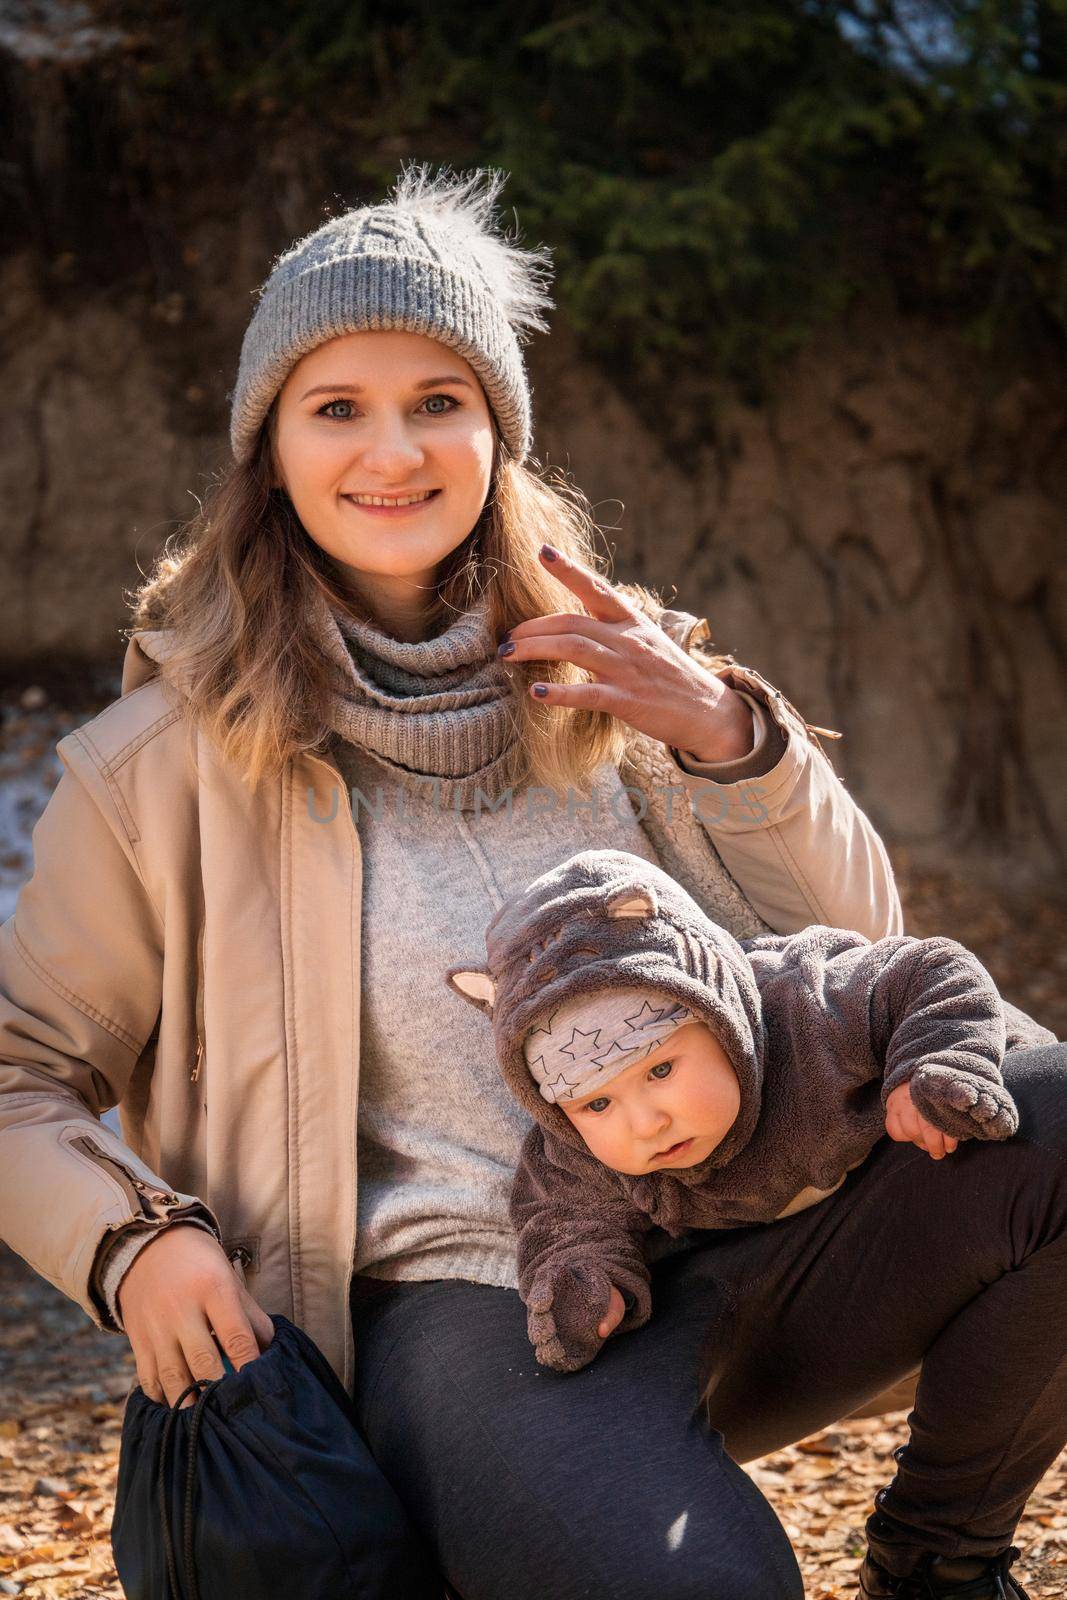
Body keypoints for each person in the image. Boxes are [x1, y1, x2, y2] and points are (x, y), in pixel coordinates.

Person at [0, 162, 1061, 1600]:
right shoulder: (157, 770)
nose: (394, 451)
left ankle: (940, 1564)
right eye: (337, 407)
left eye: (439, 401)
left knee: (1045, 1107)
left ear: (497, 430)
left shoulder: (616, 664)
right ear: (268, 446)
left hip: (752, 1225)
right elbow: (19, 1075)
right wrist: (135, 1245)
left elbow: (854, 950)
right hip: (473, 1314)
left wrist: (728, 743)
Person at [447, 845, 1051, 1374]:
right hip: (819, 1259)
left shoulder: (810, 1007)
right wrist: (589, 1282)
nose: (645, 1122)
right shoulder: (576, 1156)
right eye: (597, 1102)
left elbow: (930, 968)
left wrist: (932, 1063)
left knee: (1043, 1128)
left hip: (947, 1159)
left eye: (660, 1070)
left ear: (722, 1017)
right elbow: (563, 1221)